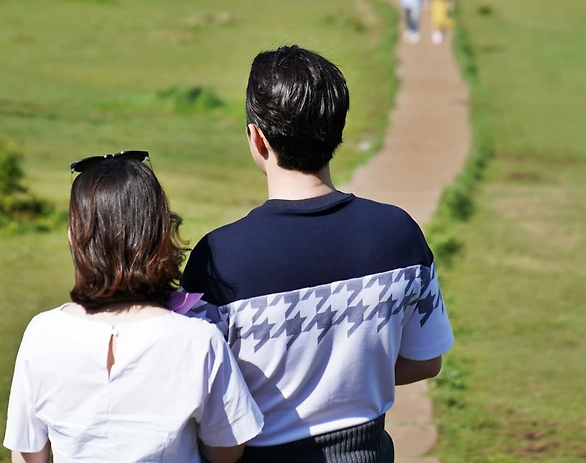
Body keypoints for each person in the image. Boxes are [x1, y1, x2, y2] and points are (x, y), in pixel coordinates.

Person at [182, 47, 454, 462]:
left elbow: (197, 391)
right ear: (337, 129)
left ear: (257, 137)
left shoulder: (217, 257)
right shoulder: (399, 234)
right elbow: (425, 361)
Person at [4, 151, 263, 463]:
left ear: (76, 237)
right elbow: (225, 451)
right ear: (158, 234)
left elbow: (28, 455)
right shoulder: (199, 339)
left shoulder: (42, 333)